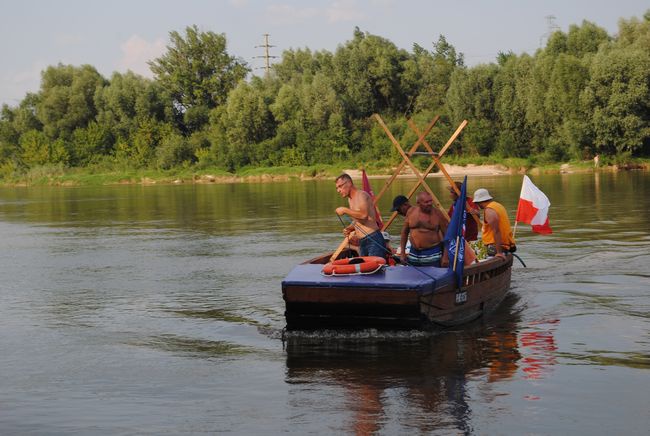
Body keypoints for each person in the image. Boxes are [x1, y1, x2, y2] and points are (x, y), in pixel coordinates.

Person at [335, 173, 386, 257]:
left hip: (373, 239)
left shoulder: (361, 195)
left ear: (349, 183)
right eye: (337, 188)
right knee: (364, 269)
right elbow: (358, 220)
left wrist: (345, 210)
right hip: (362, 241)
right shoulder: (350, 199)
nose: (338, 190)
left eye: (340, 186)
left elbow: (363, 215)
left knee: (374, 269)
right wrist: (350, 228)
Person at [400, 191, 448, 266]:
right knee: (413, 276)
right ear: (418, 203)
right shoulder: (411, 212)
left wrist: (445, 257)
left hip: (432, 253)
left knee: (433, 276)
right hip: (414, 253)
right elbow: (404, 233)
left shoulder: (438, 214)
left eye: (430, 201)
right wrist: (402, 252)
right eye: (426, 202)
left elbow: (447, 236)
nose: (429, 203)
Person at [473, 188, 516, 259]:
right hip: (507, 245)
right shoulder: (498, 205)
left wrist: (499, 253)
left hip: (496, 247)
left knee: (468, 252)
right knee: (472, 246)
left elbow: (496, 231)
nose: (476, 205)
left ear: (479, 202)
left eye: (476, 203)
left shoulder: (489, 210)